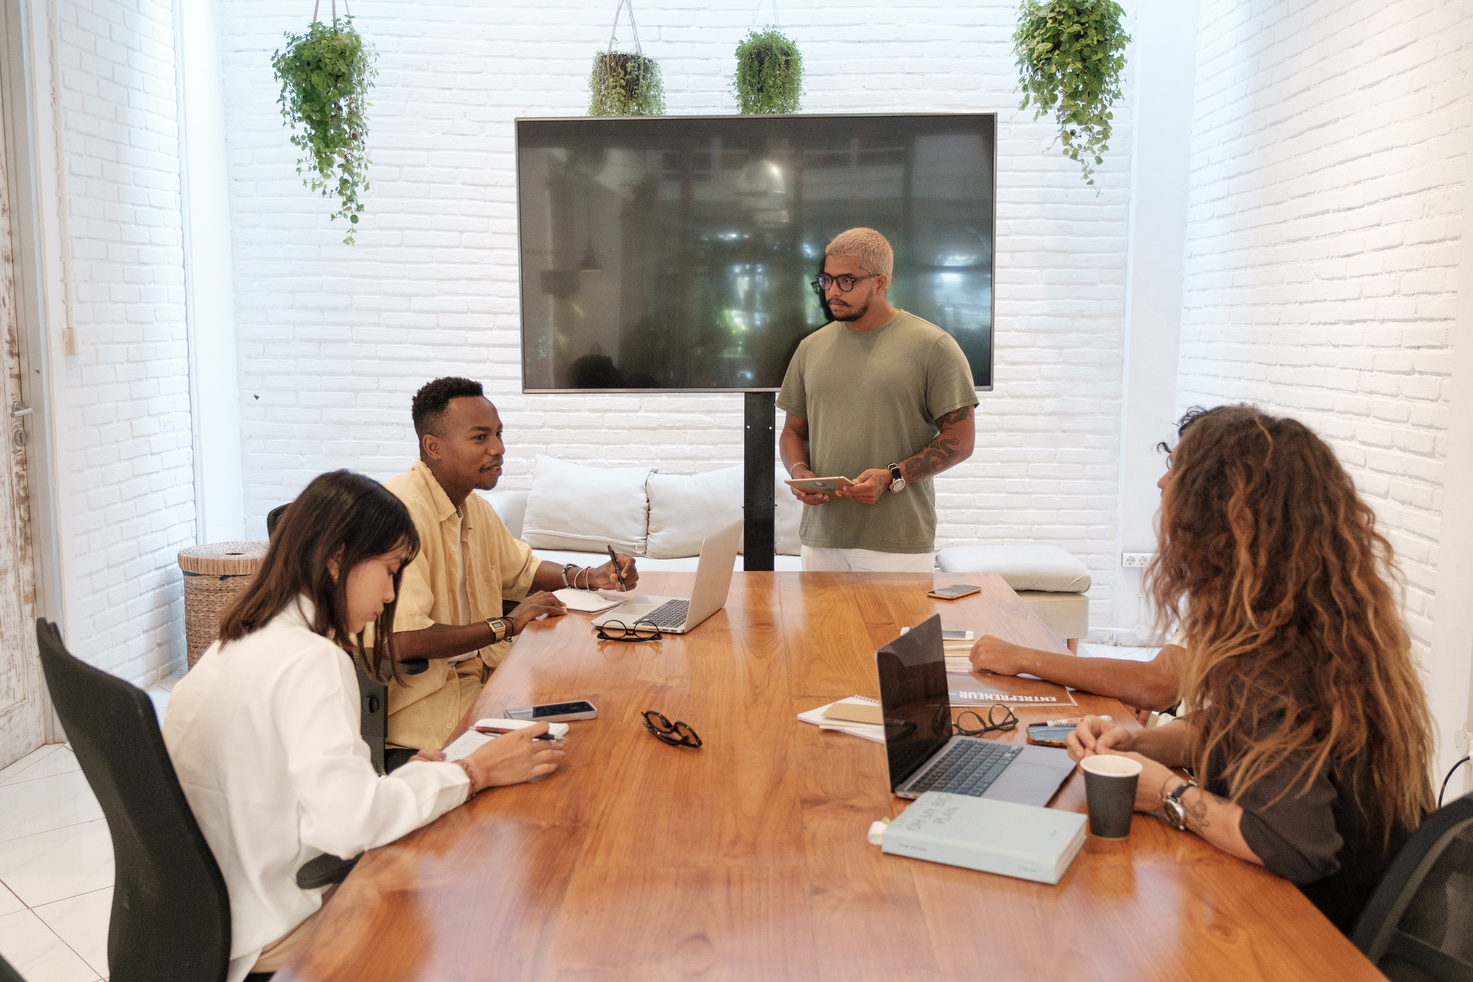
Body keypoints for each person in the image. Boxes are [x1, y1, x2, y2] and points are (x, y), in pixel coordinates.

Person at [163, 470, 566, 981]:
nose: (392, 595)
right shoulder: (312, 661)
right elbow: (348, 825)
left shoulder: (237, 642)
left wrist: (413, 781)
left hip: (216, 912)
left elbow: (309, 792)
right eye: (390, 570)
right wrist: (471, 773)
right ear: (337, 559)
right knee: (483, 913)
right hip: (273, 926)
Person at [1066, 406, 1434, 933]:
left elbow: (1296, 847)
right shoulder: (1312, 623)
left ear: (1225, 517)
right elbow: (1241, 731)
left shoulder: (1275, 659)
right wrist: (1142, 743)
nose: (1162, 482)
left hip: (1313, 933)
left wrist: (1166, 793)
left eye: (1180, 471)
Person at [384, 376, 638, 759]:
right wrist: (507, 624)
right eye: (480, 438)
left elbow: (522, 571)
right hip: (432, 707)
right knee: (574, 753)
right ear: (433, 447)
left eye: (499, 434)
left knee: (604, 704)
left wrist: (591, 577)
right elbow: (405, 638)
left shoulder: (473, 507)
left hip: (490, 678)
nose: (498, 449)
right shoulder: (401, 513)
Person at [968, 409, 1210, 713]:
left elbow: (1159, 685)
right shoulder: (1218, 580)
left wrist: (1023, 658)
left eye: (1175, 470)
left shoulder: (1241, 595)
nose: (1161, 483)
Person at [777, 227, 978, 571]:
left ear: (880, 282)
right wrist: (800, 473)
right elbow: (794, 431)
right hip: (820, 541)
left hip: (897, 544)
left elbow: (960, 440)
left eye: (846, 281)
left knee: (898, 629)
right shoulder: (810, 347)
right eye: (826, 280)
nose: (832, 293)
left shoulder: (934, 347)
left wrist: (892, 476)